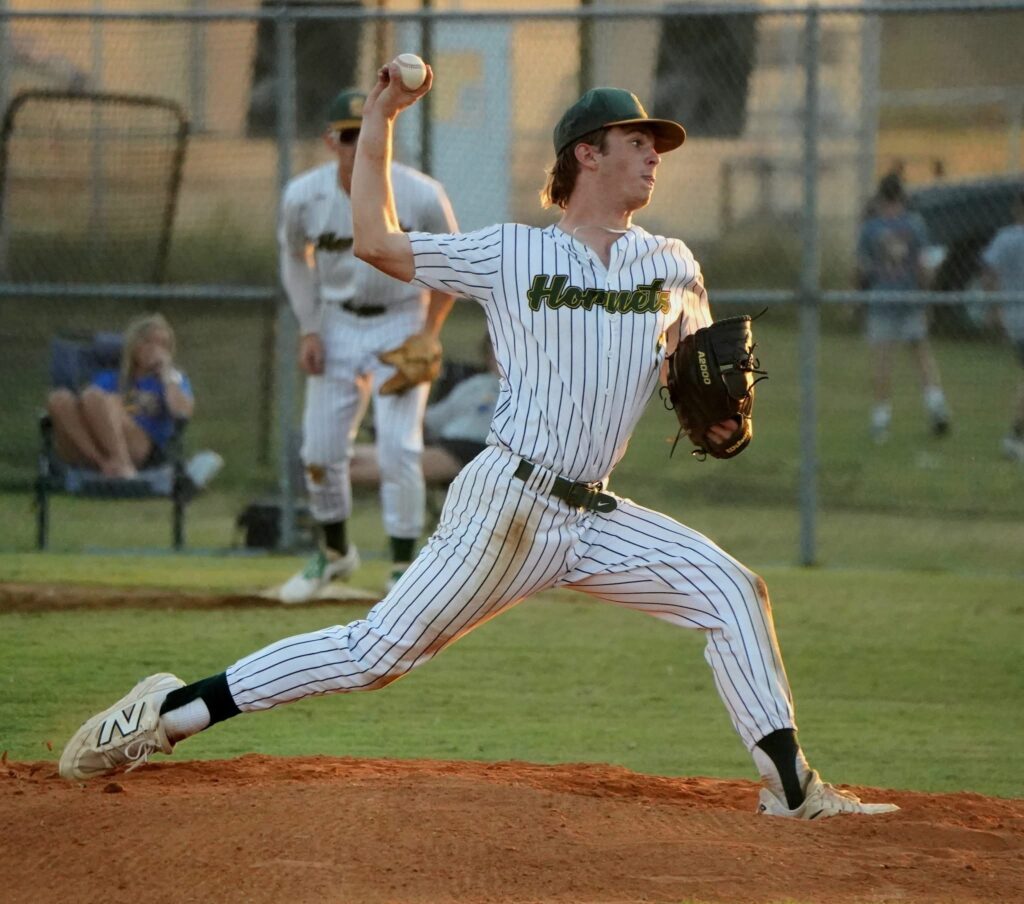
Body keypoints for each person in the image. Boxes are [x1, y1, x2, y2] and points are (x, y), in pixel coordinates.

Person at [59, 66, 900, 820]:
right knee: (374, 654)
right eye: (636, 141)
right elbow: (377, 242)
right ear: (586, 154)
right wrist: (382, 119)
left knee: (732, 591)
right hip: (509, 504)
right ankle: (167, 714)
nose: (654, 155)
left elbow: (694, 376)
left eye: (656, 145)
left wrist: (718, 420)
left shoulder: (673, 264)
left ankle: (792, 789)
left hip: (594, 517)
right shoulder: (512, 253)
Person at [277, 87, 458, 603]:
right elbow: (293, 255)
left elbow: (450, 266)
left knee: (399, 448)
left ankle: (403, 565)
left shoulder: (420, 194)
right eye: (348, 136)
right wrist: (309, 326)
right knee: (319, 451)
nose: (359, 144)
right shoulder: (305, 195)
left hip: (401, 320)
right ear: (329, 141)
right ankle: (335, 552)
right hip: (336, 322)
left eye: (368, 133)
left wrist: (428, 333)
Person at [856, 173, 951, 444]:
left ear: (881, 197)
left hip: (882, 297)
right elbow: (923, 266)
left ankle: (881, 419)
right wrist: (925, 294)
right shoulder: (914, 225)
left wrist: (858, 295)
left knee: (883, 359)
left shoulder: (871, 228)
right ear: (901, 196)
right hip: (910, 295)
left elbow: (861, 267)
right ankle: (936, 406)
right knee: (920, 353)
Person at [46, 312, 194, 479]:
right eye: (148, 341)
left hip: (140, 448)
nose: (155, 348)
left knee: (104, 399)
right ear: (133, 345)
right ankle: (105, 464)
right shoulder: (111, 378)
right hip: (90, 449)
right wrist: (128, 402)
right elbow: (85, 403)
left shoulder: (174, 379)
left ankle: (123, 462)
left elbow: (182, 412)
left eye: (163, 344)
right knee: (59, 398)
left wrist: (166, 375)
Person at [348, 336, 500, 487]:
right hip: (444, 443)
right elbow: (437, 417)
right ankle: (338, 462)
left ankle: (340, 477)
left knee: (398, 465)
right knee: (357, 455)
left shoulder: (514, 391)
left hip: (475, 450)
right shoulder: (476, 384)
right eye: (493, 352)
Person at [980, 190, 1024, 462]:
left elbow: (988, 274)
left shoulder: (1004, 238)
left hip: (1014, 317)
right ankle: (1015, 436)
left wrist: (994, 307)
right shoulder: (1008, 237)